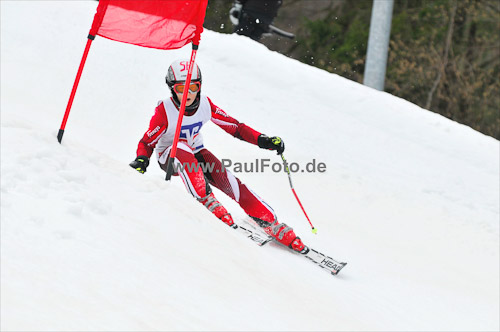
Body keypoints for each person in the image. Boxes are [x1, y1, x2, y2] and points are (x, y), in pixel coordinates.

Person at [130, 59, 306, 253]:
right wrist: (142, 160)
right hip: (170, 158)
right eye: (181, 88)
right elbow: (147, 142)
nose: (188, 94)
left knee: (227, 178)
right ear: (172, 88)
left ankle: (268, 220)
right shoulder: (165, 109)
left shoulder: (205, 104)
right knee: (180, 146)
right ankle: (206, 200)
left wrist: (263, 140)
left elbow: (235, 127)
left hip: (196, 155)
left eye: (193, 87)